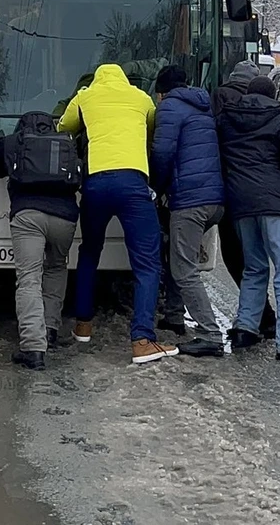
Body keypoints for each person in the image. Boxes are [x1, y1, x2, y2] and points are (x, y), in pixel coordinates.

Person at [58, 64, 177, 365]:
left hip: (95, 184)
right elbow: (152, 134)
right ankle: (142, 340)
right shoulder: (141, 99)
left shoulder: (85, 97)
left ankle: (83, 326)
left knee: (89, 252)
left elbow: (63, 128)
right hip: (133, 184)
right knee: (148, 263)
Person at [218, 75, 280, 361]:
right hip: (274, 202)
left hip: (240, 204)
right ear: (273, 95)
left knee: (254, 267)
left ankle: (246, 328)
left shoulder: (227, 119)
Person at [0, 112, 79, 370]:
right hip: (65, 219)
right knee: (56, 267)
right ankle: (50, 329)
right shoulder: (67, 141)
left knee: (29, 277)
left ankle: (33, 347)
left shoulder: (12, 141)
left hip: (28, 216)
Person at [150, 66, 226, 358]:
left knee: (184, 267)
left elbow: (162, 152)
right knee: (179, 255)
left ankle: (210, 334)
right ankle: (173, 315)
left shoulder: (169, 107)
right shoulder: (202, 105)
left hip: (190, 200)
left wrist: (155, 186)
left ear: (161, 92)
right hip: (214, 199)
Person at [212, 60, 277, 339]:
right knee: (261, 260)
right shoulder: (265, 107)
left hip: (222, 187)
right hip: (260, 194)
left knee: (237, 256)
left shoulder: (217, 101)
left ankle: (255, 319)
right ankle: (268, 319)